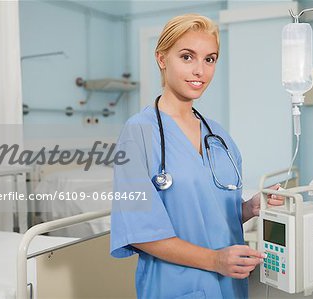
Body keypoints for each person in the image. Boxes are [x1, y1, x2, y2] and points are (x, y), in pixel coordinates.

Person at [111, 13, 283, 298]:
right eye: (187, 57)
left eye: (210, 59)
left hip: (229, 285)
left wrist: (249, 208)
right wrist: (215, 260)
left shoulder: (219, 137)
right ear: (162, 59)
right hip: (173, 286)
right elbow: (139, 233)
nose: (200, 71)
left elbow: (212, 214)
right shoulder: (138, 133)